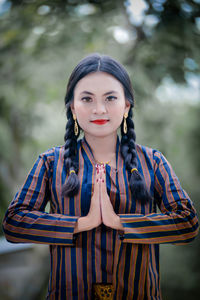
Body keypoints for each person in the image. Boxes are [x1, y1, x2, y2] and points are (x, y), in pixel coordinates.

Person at [3, 53, 199, 300]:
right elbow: (14, 223)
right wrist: (81, 223)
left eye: (110, 98)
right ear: (73, 107)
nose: (99, 109)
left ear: (126, 105)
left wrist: (120, 222)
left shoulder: (153, 162)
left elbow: (188, 223)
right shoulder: (50, 163)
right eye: (87, 98)